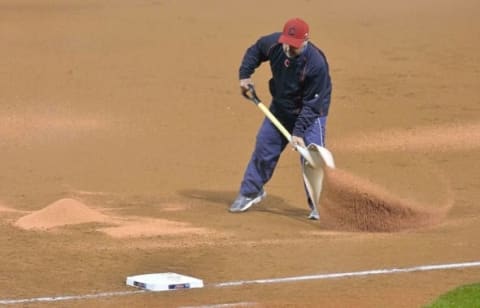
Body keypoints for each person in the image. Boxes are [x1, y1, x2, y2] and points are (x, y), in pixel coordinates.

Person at [229, 17, 332, 220]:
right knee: (264, 146)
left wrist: (299, 132)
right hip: (281, 106)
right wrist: (245, 76)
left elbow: (313, 104)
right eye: (287, 43)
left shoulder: (316, 64)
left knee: (312, 158)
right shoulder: (275, 44)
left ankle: (320, 205)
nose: (289, 49)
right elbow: (256, 50)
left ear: (306, 40)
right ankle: (251, 192)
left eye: (295, 46)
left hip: (310, 113)